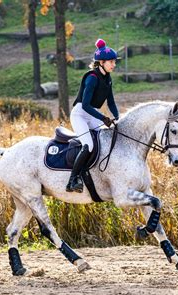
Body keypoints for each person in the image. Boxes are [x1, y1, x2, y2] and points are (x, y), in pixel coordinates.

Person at [66, 39, 120, 193]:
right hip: (80, 114)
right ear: (101, 62)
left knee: (105, 139)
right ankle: (72, 180)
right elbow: (85, 105)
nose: (114, 65)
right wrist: (103, 118)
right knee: (88, 145)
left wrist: (118, 118)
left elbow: (111, 102)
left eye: (114, 62)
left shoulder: (107, 79)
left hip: (92, 114)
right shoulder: (92, 78)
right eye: (111, 62)